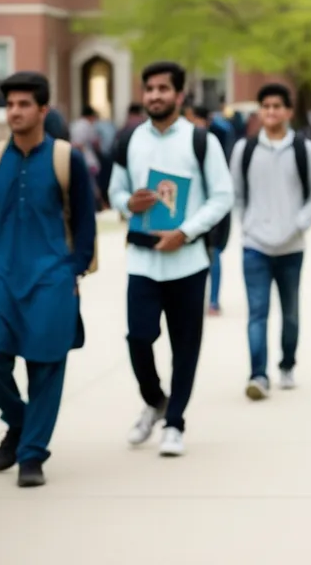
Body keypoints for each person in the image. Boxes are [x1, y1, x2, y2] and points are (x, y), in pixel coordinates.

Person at [0, 71, 98, 488]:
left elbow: (85, 220)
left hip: (51, 276)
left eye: (24, 104)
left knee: (46, 366)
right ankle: (20, 422)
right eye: (9, 105)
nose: (15, 111)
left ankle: (32, 455)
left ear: (43, 109)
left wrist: (73, 270)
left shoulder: (66, 158)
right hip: (0, 276)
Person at [108, 61, 234, 456]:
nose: (155, 95)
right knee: (138, 338)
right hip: (142, 261)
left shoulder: (201, 141)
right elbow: (115, 191)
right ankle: (154, 399)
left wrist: (186, 232)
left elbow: (222, 196)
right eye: (150, 89)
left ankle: (174, 422)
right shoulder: (128, 140)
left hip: (188, 261)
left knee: (185, 345)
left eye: (163, 89)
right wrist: (126, 203)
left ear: (179, 95)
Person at [232, 84, 311, 400]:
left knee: (290, 313)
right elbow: (236, 196)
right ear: (260, 111)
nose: (271, 112)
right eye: (266, 106)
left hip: (291, 248)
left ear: (288, 111)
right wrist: (248, 226)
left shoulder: (305, 150)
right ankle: (258, 375)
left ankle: (287, 365)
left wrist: (296, 226)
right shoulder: (244, 150)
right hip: (255, 247)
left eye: (277, 106)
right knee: (257, 312)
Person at [184, 105, 235, 315]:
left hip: (214, 202)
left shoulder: (210, 137)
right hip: (204, 202)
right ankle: (208, 300)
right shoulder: (223, 130)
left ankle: (212, 300)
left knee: (213, 252)